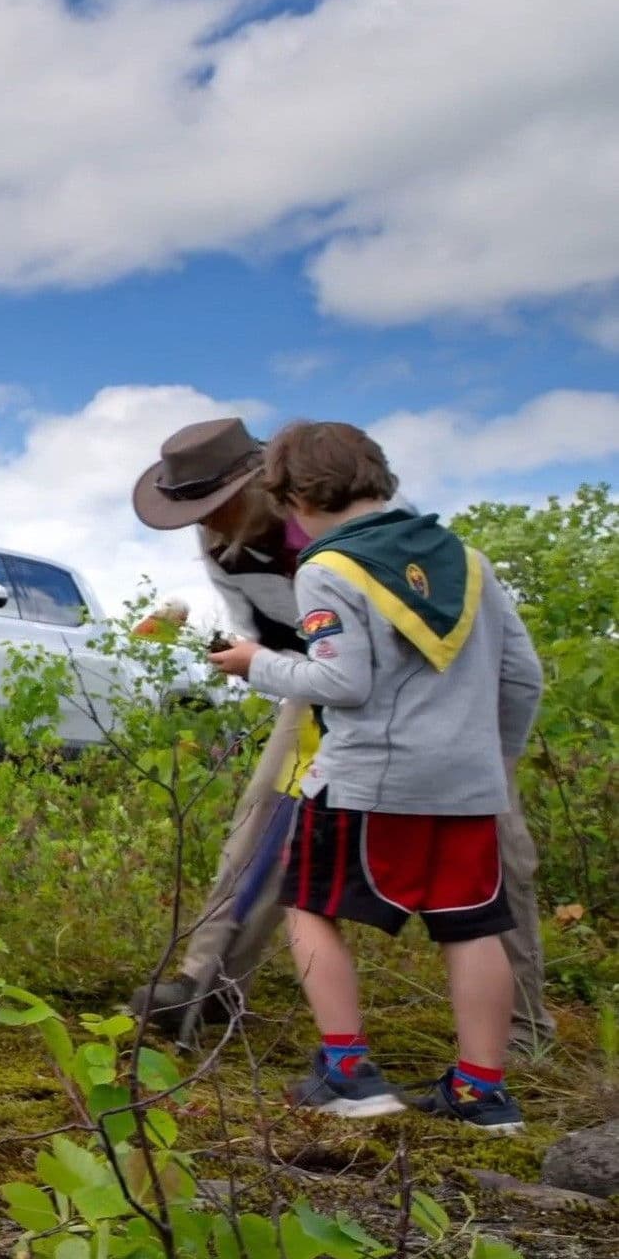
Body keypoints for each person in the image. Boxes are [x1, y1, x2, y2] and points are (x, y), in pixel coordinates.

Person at [133, 418, 548, 1052]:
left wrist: (500, 755)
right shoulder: (222, 549)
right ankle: (208, 983)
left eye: (216, 506)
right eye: (193, 511)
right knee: (266, 821)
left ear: (264, 485)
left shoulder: (371, 526)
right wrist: (262, 665)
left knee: (496, 846)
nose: (206, 522)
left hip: (429, 689)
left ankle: (523, 1029)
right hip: (313, 674)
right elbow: (267, 635)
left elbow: (485, 655)